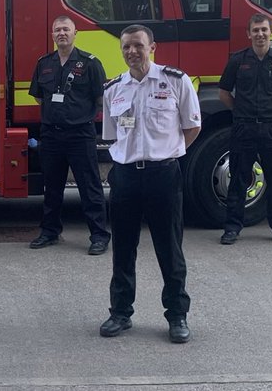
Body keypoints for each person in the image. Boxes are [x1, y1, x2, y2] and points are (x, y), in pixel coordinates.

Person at [99, 24, 200, 344]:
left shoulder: (175, 81)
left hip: (163, 175)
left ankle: (177, 315)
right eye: (126, 46)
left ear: (152, 47)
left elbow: (191, 127)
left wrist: (166, 152)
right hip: (126, 176)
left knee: (169, 250)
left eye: (138, 46)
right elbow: (113, 133)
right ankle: (120, 313)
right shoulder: (113, 89)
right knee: (123, 249)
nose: (132, 52)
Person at [27, 16, 111, 255]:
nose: (61, 33)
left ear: (75, 33)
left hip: (80, 134)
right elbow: (39, 96)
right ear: (52, 35)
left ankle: (98, 235)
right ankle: (50, 231)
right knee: (52, 187)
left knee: (89, 186)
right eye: (57, 30)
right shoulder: (44, 63)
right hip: (51, 134)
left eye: (66, 29)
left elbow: (99, 98)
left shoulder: (90, 63)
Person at [218, 13, 272, 245]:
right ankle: (232, 228)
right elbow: (224, 93)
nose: (260, 34)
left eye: (264, 30)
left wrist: (270, 112)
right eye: (255, 30)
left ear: (271, 32)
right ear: (249, 34)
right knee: (238, 180)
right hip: (244, 128)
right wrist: (241, 112)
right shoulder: (237, 60)